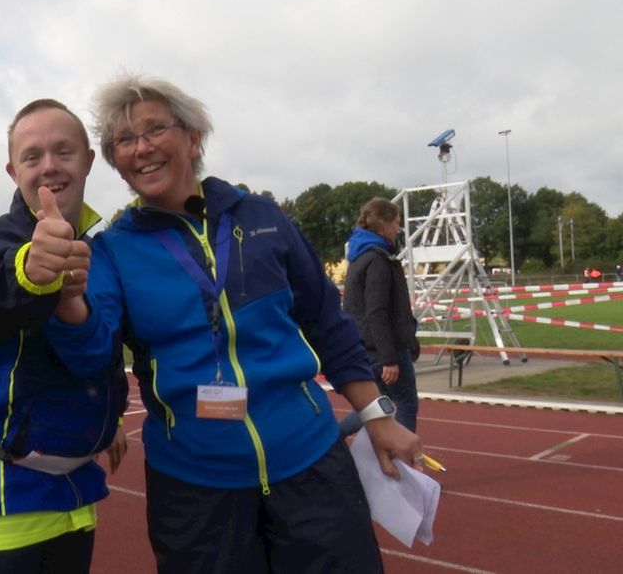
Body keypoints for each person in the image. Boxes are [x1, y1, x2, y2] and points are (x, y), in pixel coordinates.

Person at [44, 75, 422, 573]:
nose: (141, 148)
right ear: (115, 162)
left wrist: (377, 416)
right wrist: (67, 299)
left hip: (310, 465)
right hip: (195, 487)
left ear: (193, 137)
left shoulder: (263, 217)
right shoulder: (113, 250)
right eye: (124, 141)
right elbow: (94, 349)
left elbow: (327, 322)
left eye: (155, 129)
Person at [0, 99, 129, 574]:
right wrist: (31, 272)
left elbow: (104, 348)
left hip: (73, 496)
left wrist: (112, 413)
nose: (50, 166)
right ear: (13, 171)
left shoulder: (102, 251)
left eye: (64, 151)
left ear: (89, 160)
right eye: (33, 157)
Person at [342, 197, 421, 433]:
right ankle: (403, 461)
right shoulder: (377, 261)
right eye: (396, 223)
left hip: (368, 347)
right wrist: (389, 358)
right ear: (383, 224)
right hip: (384, 350)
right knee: (406, 403)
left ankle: (331, 443)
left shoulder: (359, 257)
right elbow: (377, 312)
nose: (398, 229)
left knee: (372, 407)